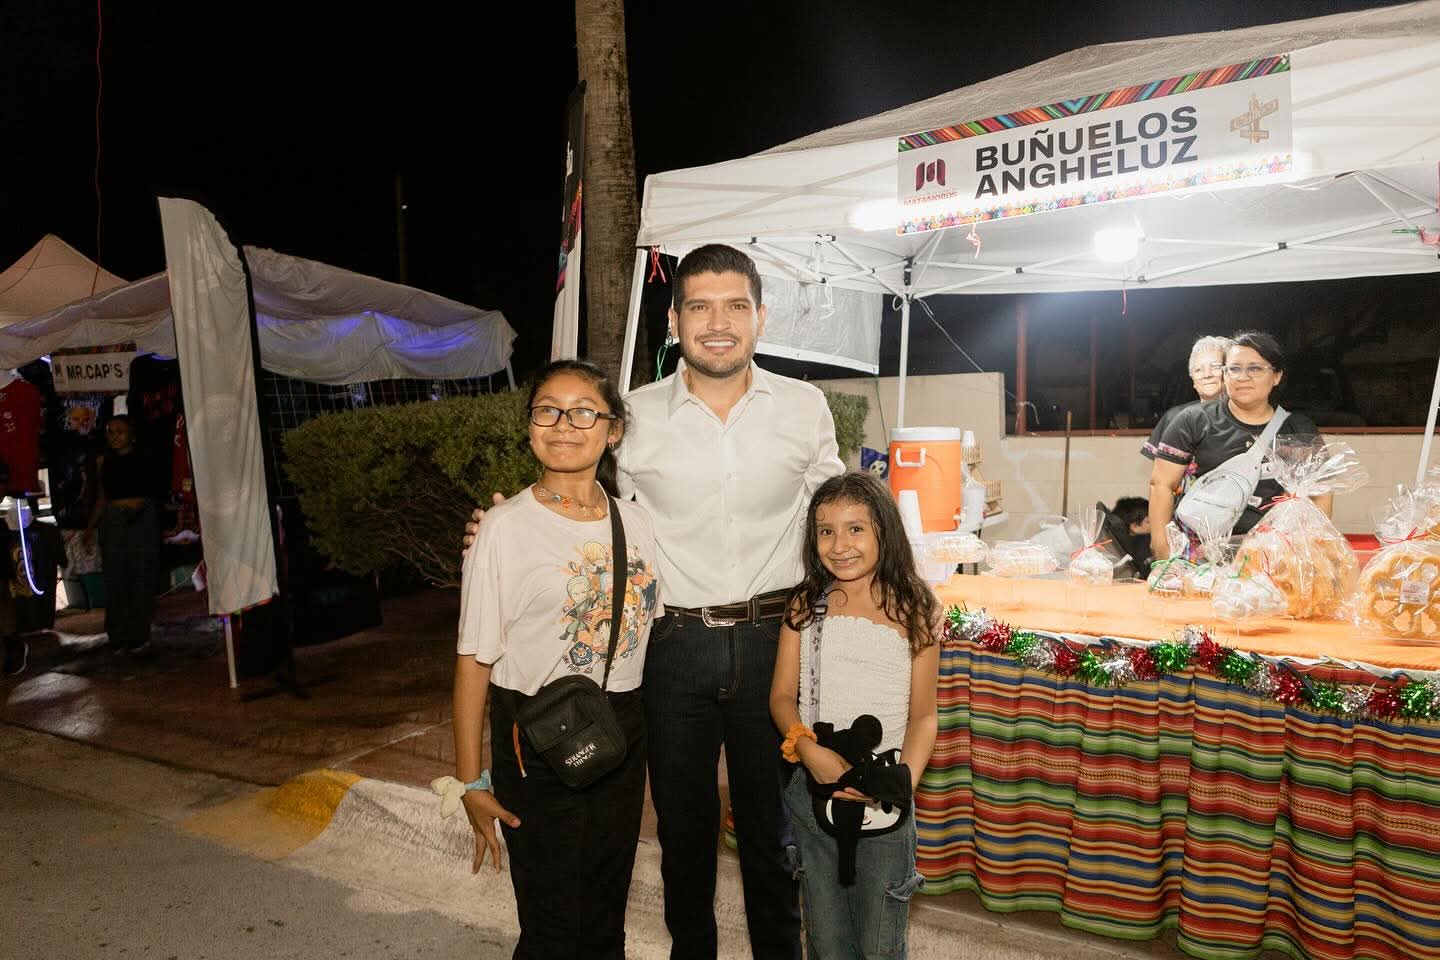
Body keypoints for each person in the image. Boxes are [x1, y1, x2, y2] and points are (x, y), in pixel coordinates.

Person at [466, 244, 845, 959]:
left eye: (735, 306)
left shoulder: (805, 407)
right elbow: (586, 505)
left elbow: (836, 513)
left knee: (773, 835)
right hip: (671, 650)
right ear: (675, 321)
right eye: (699, 306)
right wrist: (501, 525)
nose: (718, 323)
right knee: (682, 834)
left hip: (775, 644)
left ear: (760, 317)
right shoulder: (635, 415)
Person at [452, 359, 663, 958]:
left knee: (605, 915)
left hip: (621, 730)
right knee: (553, 927)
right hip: (536, 738)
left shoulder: (636, 521)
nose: (563, 424)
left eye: (583, 412)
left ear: (613, 431)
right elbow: (472, 663)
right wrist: (470, 781)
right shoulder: (503, 528)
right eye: (548, 411)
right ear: (530, 427)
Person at [769, 472, 940, 960]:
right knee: (825, 940)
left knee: (879, 941)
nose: (839, 545)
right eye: (826, 531)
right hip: (813, 794)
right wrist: (807, 749)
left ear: (884, 531)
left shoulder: (916, 609)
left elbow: (924, 716)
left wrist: (898, 783)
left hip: (884, 797)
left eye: (855, 529)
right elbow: (781, 697)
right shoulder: (806, 605)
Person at [1147, 331, 1326, 561]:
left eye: (1255, 368)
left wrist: (1308, 551)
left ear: (1277, 376)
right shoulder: (1193, 420)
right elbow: (1161, 484)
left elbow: (1320, 494)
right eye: (1234, 369)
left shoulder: (1298, 429)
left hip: (1273, 557)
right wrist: (1161, 549)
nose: (1243, 377)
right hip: (1201, 557)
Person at [85, 415, 161, 654]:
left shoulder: (145, 459)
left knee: (141, 575)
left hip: (142, 519)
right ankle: (118, 635)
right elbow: (102, 497)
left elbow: (154, 492)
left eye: (120, 431)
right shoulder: (103, 462)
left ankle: (139, 634)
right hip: (114, 520)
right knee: (115, 577)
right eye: (110, 431)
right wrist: (90, 528)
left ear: (132, 435)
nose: (114, 436)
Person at [1141, 335, 1232, 472]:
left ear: (1231, 371)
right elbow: (1161, 478)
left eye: (1215, 367)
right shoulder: (1174, 417)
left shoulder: (1246, 415)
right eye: (1198, 369)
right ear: (1193, 380)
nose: (1207, 374)